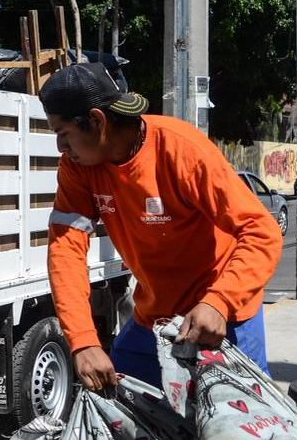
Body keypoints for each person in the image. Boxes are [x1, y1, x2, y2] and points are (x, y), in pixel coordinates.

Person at [39, 63, 283, 392]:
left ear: (96, 121)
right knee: (125, 405)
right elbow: (65, 250)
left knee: (242, 420)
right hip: (155, 317)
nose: (60, 148)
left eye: (62, 133)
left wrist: (219, 302)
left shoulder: (181, 150)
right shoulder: (77, 168)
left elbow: (260, 231)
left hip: (224, 316)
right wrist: (83, 342)